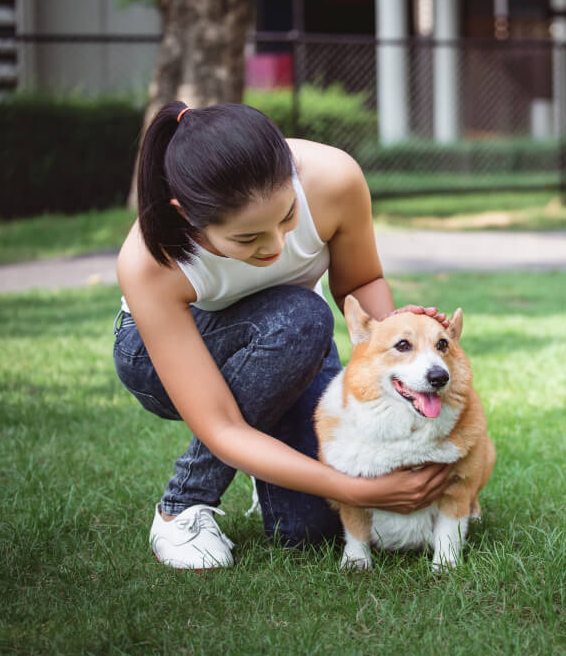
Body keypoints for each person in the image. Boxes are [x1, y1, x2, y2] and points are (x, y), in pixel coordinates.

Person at [113, 101, 457, 570]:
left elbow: (357, 282)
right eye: (248, 238)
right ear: (187, 215)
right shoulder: (150, 262)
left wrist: (398, 337)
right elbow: (221, 426)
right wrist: (357, 489)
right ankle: (182, 508)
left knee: (312, 530)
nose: (275, 248)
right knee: (302, 317)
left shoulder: (334, 179)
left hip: (289, 347)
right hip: (159, 360)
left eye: (288, 216)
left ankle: (269, 451)